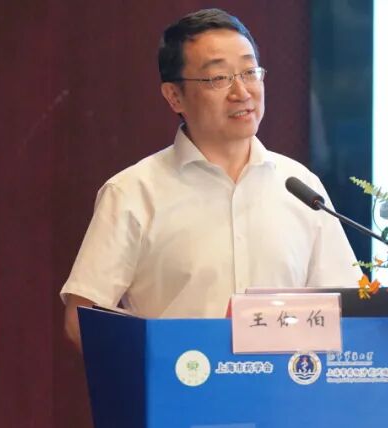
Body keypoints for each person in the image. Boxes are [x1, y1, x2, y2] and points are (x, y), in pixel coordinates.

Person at [60, 8, 361, 349]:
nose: (241, 92)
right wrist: (153, 367)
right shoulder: (132, 192)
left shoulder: (301, 187)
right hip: (182, 380)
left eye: (249, 72)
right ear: (174, 96)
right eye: (218, 78)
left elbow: (347, 310)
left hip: (287, 383)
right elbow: (82, 319)